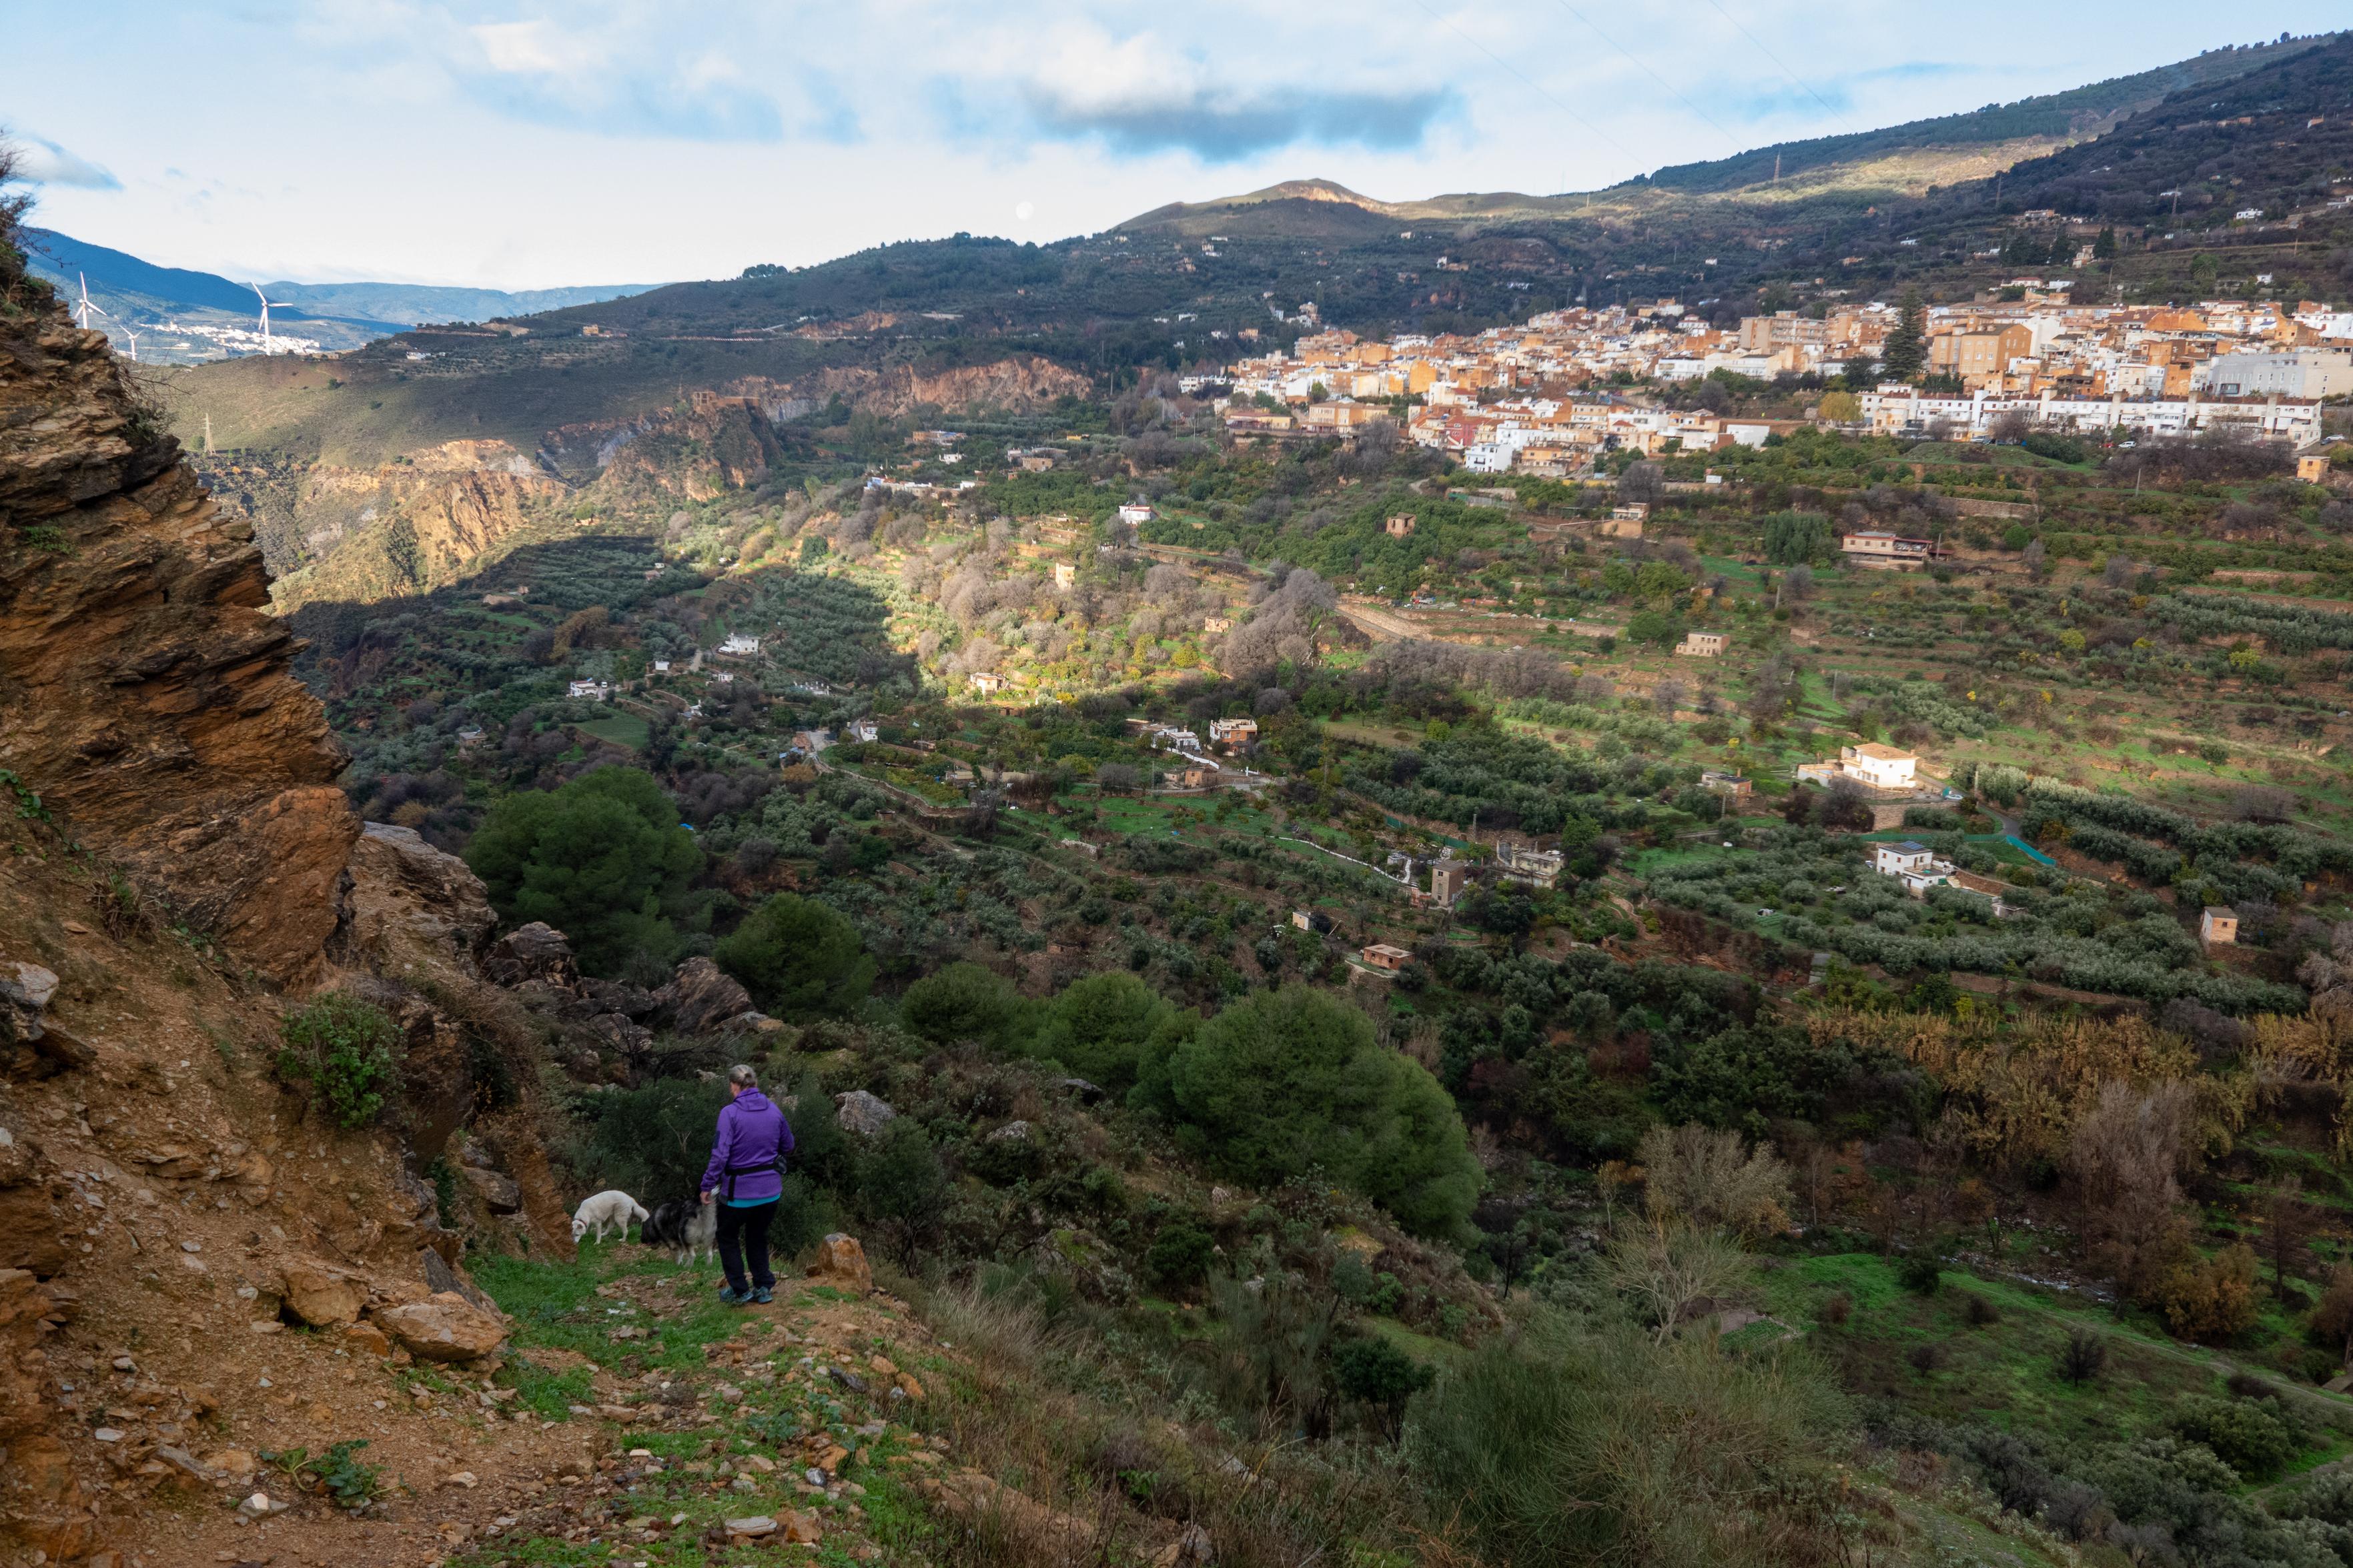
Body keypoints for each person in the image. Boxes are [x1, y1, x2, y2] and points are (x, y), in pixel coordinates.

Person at [700, 1063, 795, 1305]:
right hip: (770, 1193)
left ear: (734, 1085)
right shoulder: (774, 1110)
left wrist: (707, 1185)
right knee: (757, 1236)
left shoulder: (729, 1114)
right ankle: (763, 1287)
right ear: (755, 1084)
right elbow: (789, 1145)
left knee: (728, 1236)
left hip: (738, 1193)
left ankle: (740, 1290)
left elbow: (720, 1155)